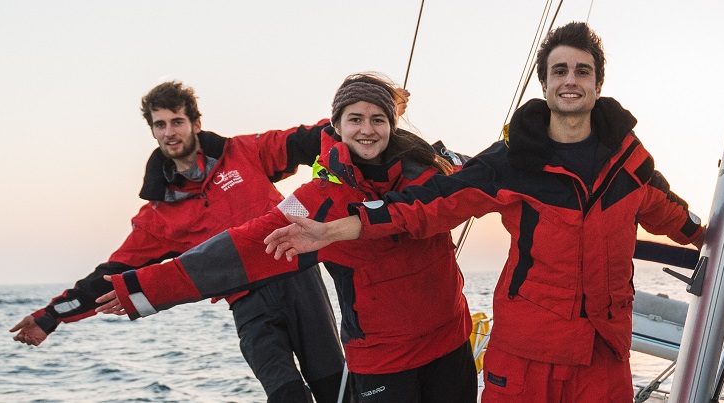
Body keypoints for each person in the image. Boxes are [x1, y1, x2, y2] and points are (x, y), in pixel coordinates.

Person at [263, 22, 704, 402]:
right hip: (527, 358)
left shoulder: (629, 165)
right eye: (559, 71)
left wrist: (718, 238)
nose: (570, 80)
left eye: (582, 71)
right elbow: (430, 203)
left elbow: (676, 216)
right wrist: (337, 229)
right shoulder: (513, 161)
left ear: (597, 83)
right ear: (545, 84)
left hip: (603, 358)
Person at [95, 73, 477, 403]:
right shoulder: (312, 200)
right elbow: (245, 244)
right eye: (355, 119)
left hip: (450, 341)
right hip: (381, 359)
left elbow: (483, 183)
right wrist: (145, 288)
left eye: (378, 119)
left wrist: (343, 228)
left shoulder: (430, 169)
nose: (366, 129)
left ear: (392, 124)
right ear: (336, 127)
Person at [7, 81, 347, 402]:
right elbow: (109, 275)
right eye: (160, 124)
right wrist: (50, 317)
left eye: (177, 121)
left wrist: (358, 124)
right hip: (246, 302)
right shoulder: (158, 215)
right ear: (153, 131)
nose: (169, 132)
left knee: (334, 386)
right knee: (285, 394)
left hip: (298, 281)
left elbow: (309, 138)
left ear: (195, 124)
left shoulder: (243, 152)